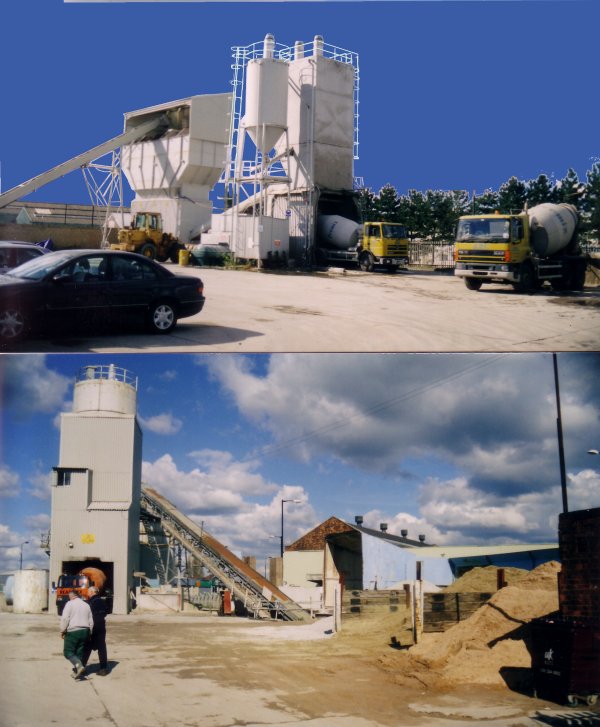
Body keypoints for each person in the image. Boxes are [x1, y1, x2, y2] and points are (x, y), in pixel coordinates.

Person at [60, 591, 93, 679]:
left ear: (71, 596)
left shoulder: (69, 604)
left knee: (68, 652)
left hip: (73, 631)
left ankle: (79, 666)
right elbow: (91, 621)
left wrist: (62, 630)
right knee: (79, 652)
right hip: (85, 631)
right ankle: (78, 670)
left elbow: (65, 619)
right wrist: (90, 632)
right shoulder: (86, 605)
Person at [82, 586, 109, 676]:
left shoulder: (90, 602)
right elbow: (106, 611)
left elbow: (87, 615)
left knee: (87, 647)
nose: (87, 593)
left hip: (93, 627)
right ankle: (103, 668)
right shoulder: (102, 601)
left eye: (89, 592)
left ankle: (81, 667)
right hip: (101, 626)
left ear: (92, 592)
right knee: (102, 647)